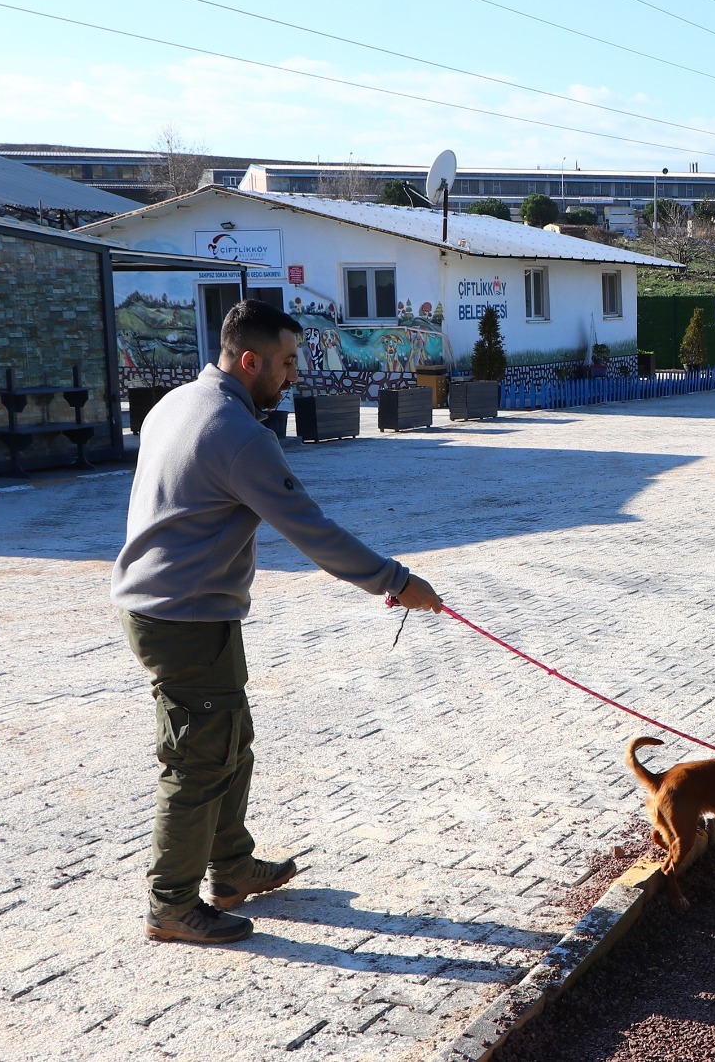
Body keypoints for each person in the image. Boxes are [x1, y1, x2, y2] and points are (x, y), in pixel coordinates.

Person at [112, 298, 441, 944]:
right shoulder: (239, 435)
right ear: (250, 360)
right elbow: (311, 531)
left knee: (228, 741)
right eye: (288, 363)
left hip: (174, 609)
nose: (294, 376)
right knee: (199, 760)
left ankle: (230, 869)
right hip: (184, 617)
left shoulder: (177, 403)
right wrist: (398, 582)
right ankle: (171, 905)